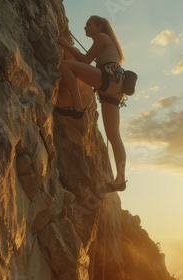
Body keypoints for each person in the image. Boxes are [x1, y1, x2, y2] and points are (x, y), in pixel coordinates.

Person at [55, 15, 127, 192]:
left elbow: (85, 61)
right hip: (115, 88)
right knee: (113, 135)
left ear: (99, 26)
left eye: (89, 25)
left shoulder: (102, 37)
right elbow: (88, 61)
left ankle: (78, 107)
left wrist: (66, 46)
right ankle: (120, 180)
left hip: (108, 79)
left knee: (66, 65)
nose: (86, 28)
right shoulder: (105, 40)